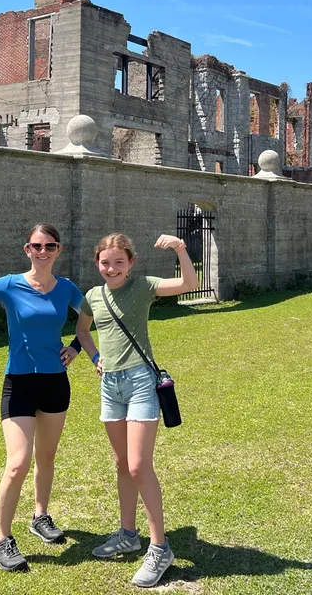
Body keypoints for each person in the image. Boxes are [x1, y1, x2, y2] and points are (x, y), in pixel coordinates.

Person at [0, 223, 94, 573]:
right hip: (18, 383)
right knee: (18, 463)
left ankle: (40, 515)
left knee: (46, 457)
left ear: (58, 250)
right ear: (26, 249)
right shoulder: (9, 284)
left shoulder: (66, 289)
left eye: (50, 246)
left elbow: (93, 316)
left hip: (55, 383)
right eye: (36, 246)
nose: (43, 251)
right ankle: (2, 539)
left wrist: (77, 347)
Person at [75, 232, 199, 588]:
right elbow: (83, 332)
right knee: (121, 464)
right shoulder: (93, 297)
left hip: (141, 382)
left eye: (118, 262)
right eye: (105, 262)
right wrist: (96, 358)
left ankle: (159, 548)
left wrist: (179, 248)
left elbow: (189, 283)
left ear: (131, 263)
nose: (111, 268)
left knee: (138, 464)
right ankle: (128, 534)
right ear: (97, 263)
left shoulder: (143, 286)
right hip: (110, 385)